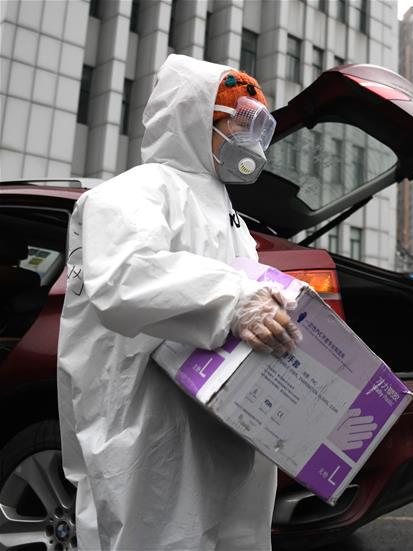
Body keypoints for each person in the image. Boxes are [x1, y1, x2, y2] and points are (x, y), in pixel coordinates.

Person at [57, 54, 301, 550]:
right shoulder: (136, 191)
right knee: (159, 534)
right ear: (194, 115)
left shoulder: (229, 216)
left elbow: (245, 287)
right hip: (151, 419)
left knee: (232, 534)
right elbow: (125, 277)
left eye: (257, 126)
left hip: (224, 420)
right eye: (239, 122)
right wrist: (235, 300)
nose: (250, 139)